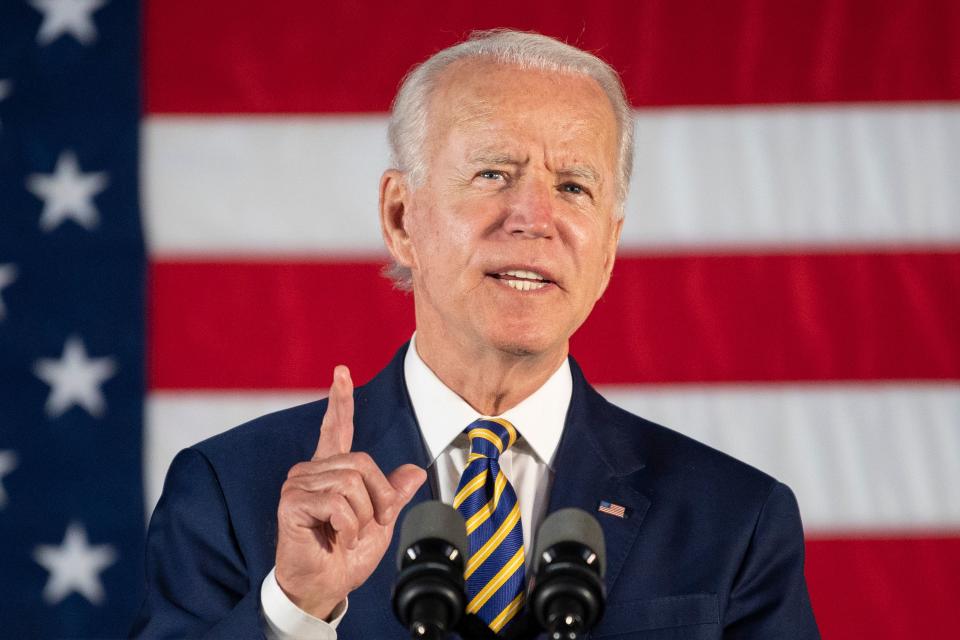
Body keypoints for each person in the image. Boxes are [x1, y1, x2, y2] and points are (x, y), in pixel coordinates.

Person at [132, 30, 820, 639]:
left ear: (607, 249)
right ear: (402, 219)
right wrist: (296, 610)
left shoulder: (735, 519)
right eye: (493, 174)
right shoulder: (232, 489)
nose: (533, 217)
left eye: (575, 187)